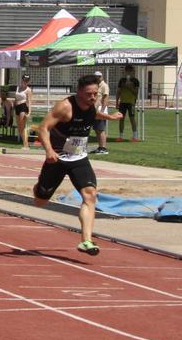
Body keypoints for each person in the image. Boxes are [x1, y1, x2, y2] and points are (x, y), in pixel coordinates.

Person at [32, 74, 123, 256]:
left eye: (95, 94)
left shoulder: (91, 105)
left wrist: (110, 117)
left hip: (79, 158)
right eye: (89, 94)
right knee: (40, 201)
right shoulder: (65, 107)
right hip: (57, 159)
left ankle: (86, 240)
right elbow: (43, 128)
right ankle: (39, 187)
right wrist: (49, 151)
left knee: (90, 195)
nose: (93, 97)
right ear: (79, 92)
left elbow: (93, 113)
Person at [116, 65, 141, 141]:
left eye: (130, 71)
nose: (128, 72)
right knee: (121, 119)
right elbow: (118, 91)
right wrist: (117, 101)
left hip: (131, 102)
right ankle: (120, 136)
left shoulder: (135, 81)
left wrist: (129, 87)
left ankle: (135, 137)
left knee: (132, 119)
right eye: (127, 71)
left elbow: (136, 92)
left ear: (132, 71)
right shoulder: (122, 80)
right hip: (122, 102)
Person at [92, 70, 111, 155]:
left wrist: (102, 110)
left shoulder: (104, 86)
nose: (98, 78)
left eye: (99, 76)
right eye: (96, 76)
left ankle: (103, 148)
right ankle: (100, 147)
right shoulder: (96, 85)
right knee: (97, 129)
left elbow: (105, 98)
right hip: (95, 109)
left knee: (101, 129)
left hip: (101, 109)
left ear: (102, 77)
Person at [13, 74, 33, 149]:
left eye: (27, 81)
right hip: (17, 107)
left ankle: (26, 145)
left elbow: (29, 102)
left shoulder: (28, 90)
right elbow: (15, 98)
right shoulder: (18, 88)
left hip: (23, 107)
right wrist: (13, 107)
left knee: (22, 126)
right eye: (25, 80)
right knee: (19, 127)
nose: (26, 82)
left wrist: (29, 112)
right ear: (22, 80)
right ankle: (25, 144)